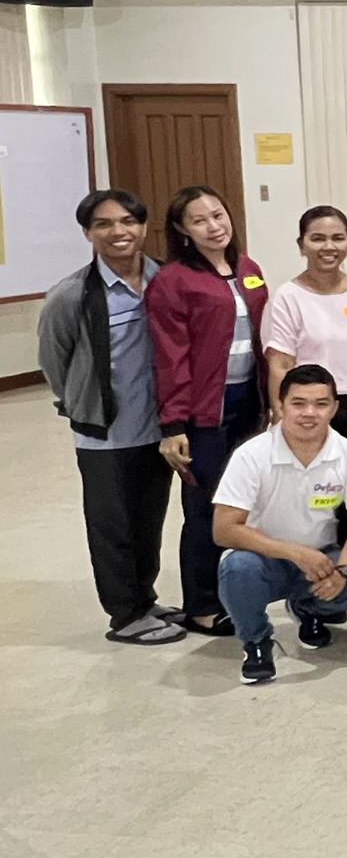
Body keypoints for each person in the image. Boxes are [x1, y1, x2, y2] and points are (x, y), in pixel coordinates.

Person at [39, 190, 182, 645]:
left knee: (148, 519)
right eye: (104, 224)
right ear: (88, 233)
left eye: (127, 221)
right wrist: (83, 405)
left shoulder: (166, 280)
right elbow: (55, 362)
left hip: (157, 430)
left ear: (143, 228)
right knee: (112, 526)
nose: (118, 232)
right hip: (105, 435)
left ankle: (144, 597)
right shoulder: (71, 295)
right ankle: (125, 615)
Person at [149, 184, 270, 638]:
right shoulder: (173, 280)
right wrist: (173, 423)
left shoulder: (248, 268)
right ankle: (200, 605)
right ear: (182, 230)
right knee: (205, 508)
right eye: (199, 221)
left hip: (247, 405)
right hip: (202, 414)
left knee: (243, 506)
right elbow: (169, 357)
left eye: (218, 215)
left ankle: (235, 591)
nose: (213, 226)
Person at [212, 364, 347, 684]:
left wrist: (342, 570)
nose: (309, 413)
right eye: (298, 403)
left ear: (335, 407)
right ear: (281, 404)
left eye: (320, 403)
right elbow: (224, 529)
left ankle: (308, 609)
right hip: (264, 558)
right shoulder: (252, 455)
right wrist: (293, 553)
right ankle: (257, 641)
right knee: (237, 570)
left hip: (321, 558)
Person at [263, 207, 347, 449]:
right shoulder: (288, 296)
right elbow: (280, 363)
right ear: (301, 245)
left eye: (337, 238)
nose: (328, 247)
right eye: (317, 239)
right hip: (307, 408)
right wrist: (280, 413)